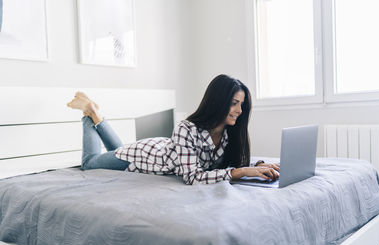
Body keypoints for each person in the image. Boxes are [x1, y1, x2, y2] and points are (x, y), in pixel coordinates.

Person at [67, 74, 279, 185]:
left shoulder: (227, 133)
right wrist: (239, 172)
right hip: (143, 158)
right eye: (234, 103)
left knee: (120, 149)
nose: (239, 110)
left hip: (160, 149)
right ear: (218, 102)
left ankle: (96, 115)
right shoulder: (186, 129)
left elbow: (226, 163)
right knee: (90, 163)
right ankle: (89, 113)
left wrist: (255, 165)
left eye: (241, 105)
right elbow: (193, 177)